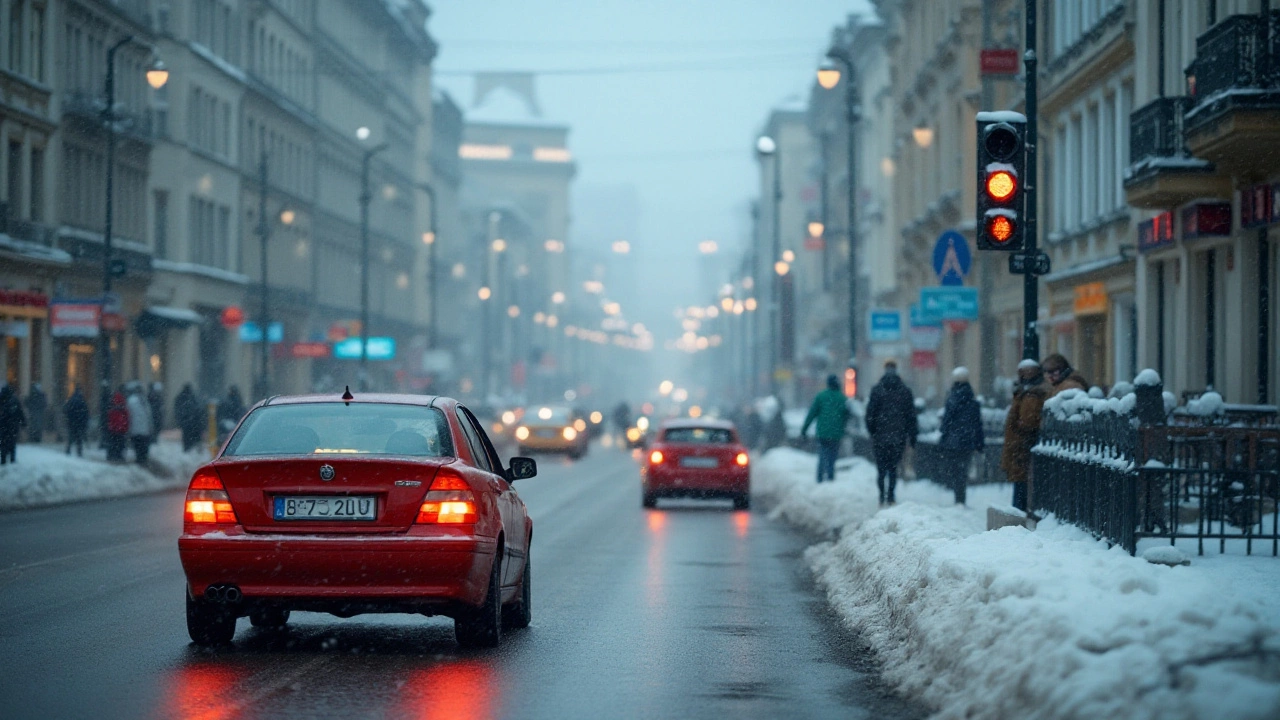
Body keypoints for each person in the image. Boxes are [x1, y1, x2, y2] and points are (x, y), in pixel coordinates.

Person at [865, 360, 917, 505]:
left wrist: (872, 431)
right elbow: (911, 416)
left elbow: (870, 414)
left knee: (881, 469)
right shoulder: (905, 391)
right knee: (893, 467)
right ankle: (891, 496)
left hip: (880, 436)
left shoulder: (877, 390)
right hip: (898, 435)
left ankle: (882, 496)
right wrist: (912, 435)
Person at [1001, 359, 1051, 512]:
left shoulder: (1031, 394)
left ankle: (1020, 510)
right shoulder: (1026, 392)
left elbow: (1028, 421)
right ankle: (1020, 509)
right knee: (1021, 479)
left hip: (1023, 444)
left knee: (1022, 480)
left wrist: (1019, 433)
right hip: (1021, 444)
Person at [939, 367, 984, 505]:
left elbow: (946, 421)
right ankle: (961, 497)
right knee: (963, 470)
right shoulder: (972, 400)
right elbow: (977, 424)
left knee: (955, 469)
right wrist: (979, 443)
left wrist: (944, 436)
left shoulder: (951, 399)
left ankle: (957, 497)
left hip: (953, 440)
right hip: (967, 440)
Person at [802, 374, 851, 483]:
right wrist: (843, 427)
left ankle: (819, 478)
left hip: (822, 433)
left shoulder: (821, 396)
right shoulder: (842, 398)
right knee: (832, 457)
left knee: (822, 455)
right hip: (836, 434)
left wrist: (804, 430)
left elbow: (811, 414)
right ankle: (830, 477)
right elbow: (847, 415)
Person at [126, 384, 153, 464]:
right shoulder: (144, 400)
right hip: (145, 429)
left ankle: (139, 460)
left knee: (137, 446)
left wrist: (129, 428)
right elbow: (149, 415)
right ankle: (143, 459)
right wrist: (150, 427)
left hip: (135, 429)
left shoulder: (130, 400)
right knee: (144, 447)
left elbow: (128, 415)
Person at [0, 384, 26, 464]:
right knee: (12, 443)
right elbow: (20, 412)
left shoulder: (2, 399)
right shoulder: (14, 400)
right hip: (13, 426)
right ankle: (12, 459)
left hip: (3, 426)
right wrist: (23, 423)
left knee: (3, 443)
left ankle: (3, 459)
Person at [174, 383, 203, 452]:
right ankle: (189, 450)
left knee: (187, 437)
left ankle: (187, 449)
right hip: (191, 421)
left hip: (187, 421)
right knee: (190, 437)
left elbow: (178, 409)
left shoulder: (182, 397)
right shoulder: (192, 397)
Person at [64, 386, 90, 456]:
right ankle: (79, 451)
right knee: (79, 438)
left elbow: (66, 410)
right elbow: (86, 412)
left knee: (71, 437)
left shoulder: (71, 399)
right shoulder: (82, 400)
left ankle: (68, 449)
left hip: (72, 422)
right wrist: (84, 421)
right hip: (79, 422)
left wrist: (69, 419)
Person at [105, 391, 130, 462]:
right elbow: (127, 419)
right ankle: (119, 456)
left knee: (113, 443)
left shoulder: (112, 408)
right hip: (121, 430)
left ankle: (112, 455)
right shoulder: (123, 409)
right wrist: (125, 428)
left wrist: (111, 427)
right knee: (120, 444)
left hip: (113, 430)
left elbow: (110, 419)